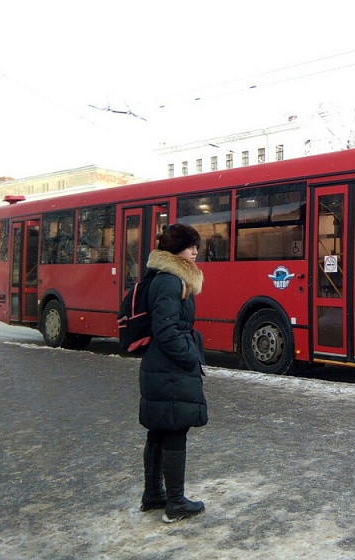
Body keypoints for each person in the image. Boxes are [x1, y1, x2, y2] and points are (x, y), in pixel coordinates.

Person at [138, 223, 208, 523]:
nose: (195, 252)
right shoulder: (170, 281)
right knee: (175, 431)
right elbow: (166, 329)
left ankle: (154, 495)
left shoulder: (166, 277)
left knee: (160, 429)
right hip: (170, 368)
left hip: (160, 366)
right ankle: (175, 503)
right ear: (176, 249)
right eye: (191, 246)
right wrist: (192, 355)